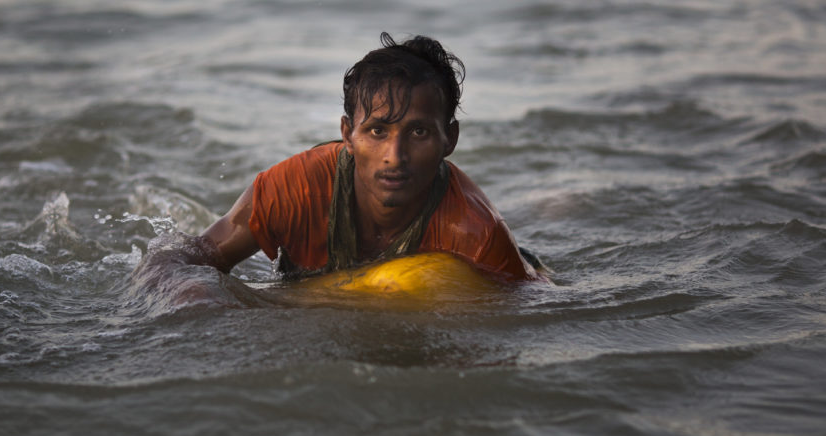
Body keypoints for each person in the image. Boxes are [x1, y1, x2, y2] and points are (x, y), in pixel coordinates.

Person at [138, 33, 549, 285]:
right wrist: (196, 302)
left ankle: (553, 204)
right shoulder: (294, 189)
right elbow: (182, 258)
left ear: (449, 140)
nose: (395, 156)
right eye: (376, 131)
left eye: (419, 132)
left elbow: (529, 310)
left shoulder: (476, 234)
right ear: (347, 136)